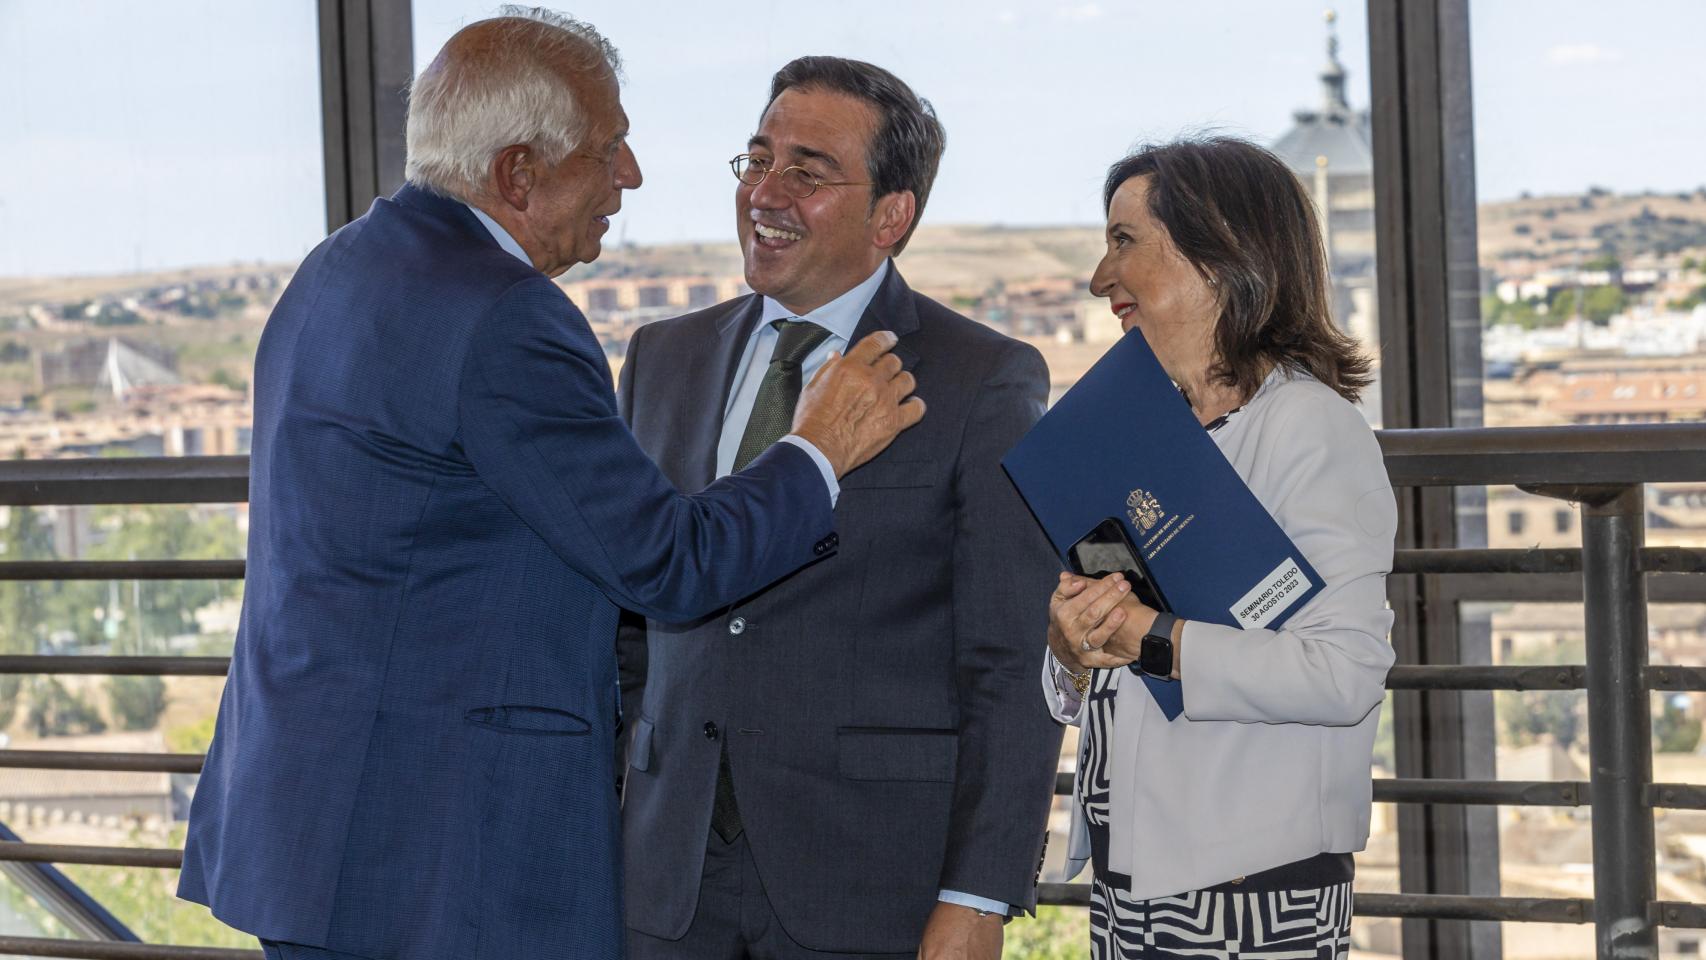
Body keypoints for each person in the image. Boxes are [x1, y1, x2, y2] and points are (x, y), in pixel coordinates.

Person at [176, 12, 923, 960]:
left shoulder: (341, 265)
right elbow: (669, 564)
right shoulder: (506, 318)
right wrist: (817, 450)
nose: (632, 176)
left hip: (315, 829)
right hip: (438, 856)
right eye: (608, 149)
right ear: (518, 173)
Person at [617, 56, 1064, 960]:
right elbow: (624, 624)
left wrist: (979, 893)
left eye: (808, 172)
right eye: (756, 160)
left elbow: (1008, 662)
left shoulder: (981, 378)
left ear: (891, 216)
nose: (764, 193)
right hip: (664, 879)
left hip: (870, 882)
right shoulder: (661, 359)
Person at [1041, 137, 1396, 960]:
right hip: (1134, 878)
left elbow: (1343, 674)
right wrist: (1069, 646)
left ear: (1219, 252)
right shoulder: (1140, 431)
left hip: (1248, 890)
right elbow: (1107, 650)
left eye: (1124, 241)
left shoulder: (1311, 430)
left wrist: (1150, 640)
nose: (1101, 277)